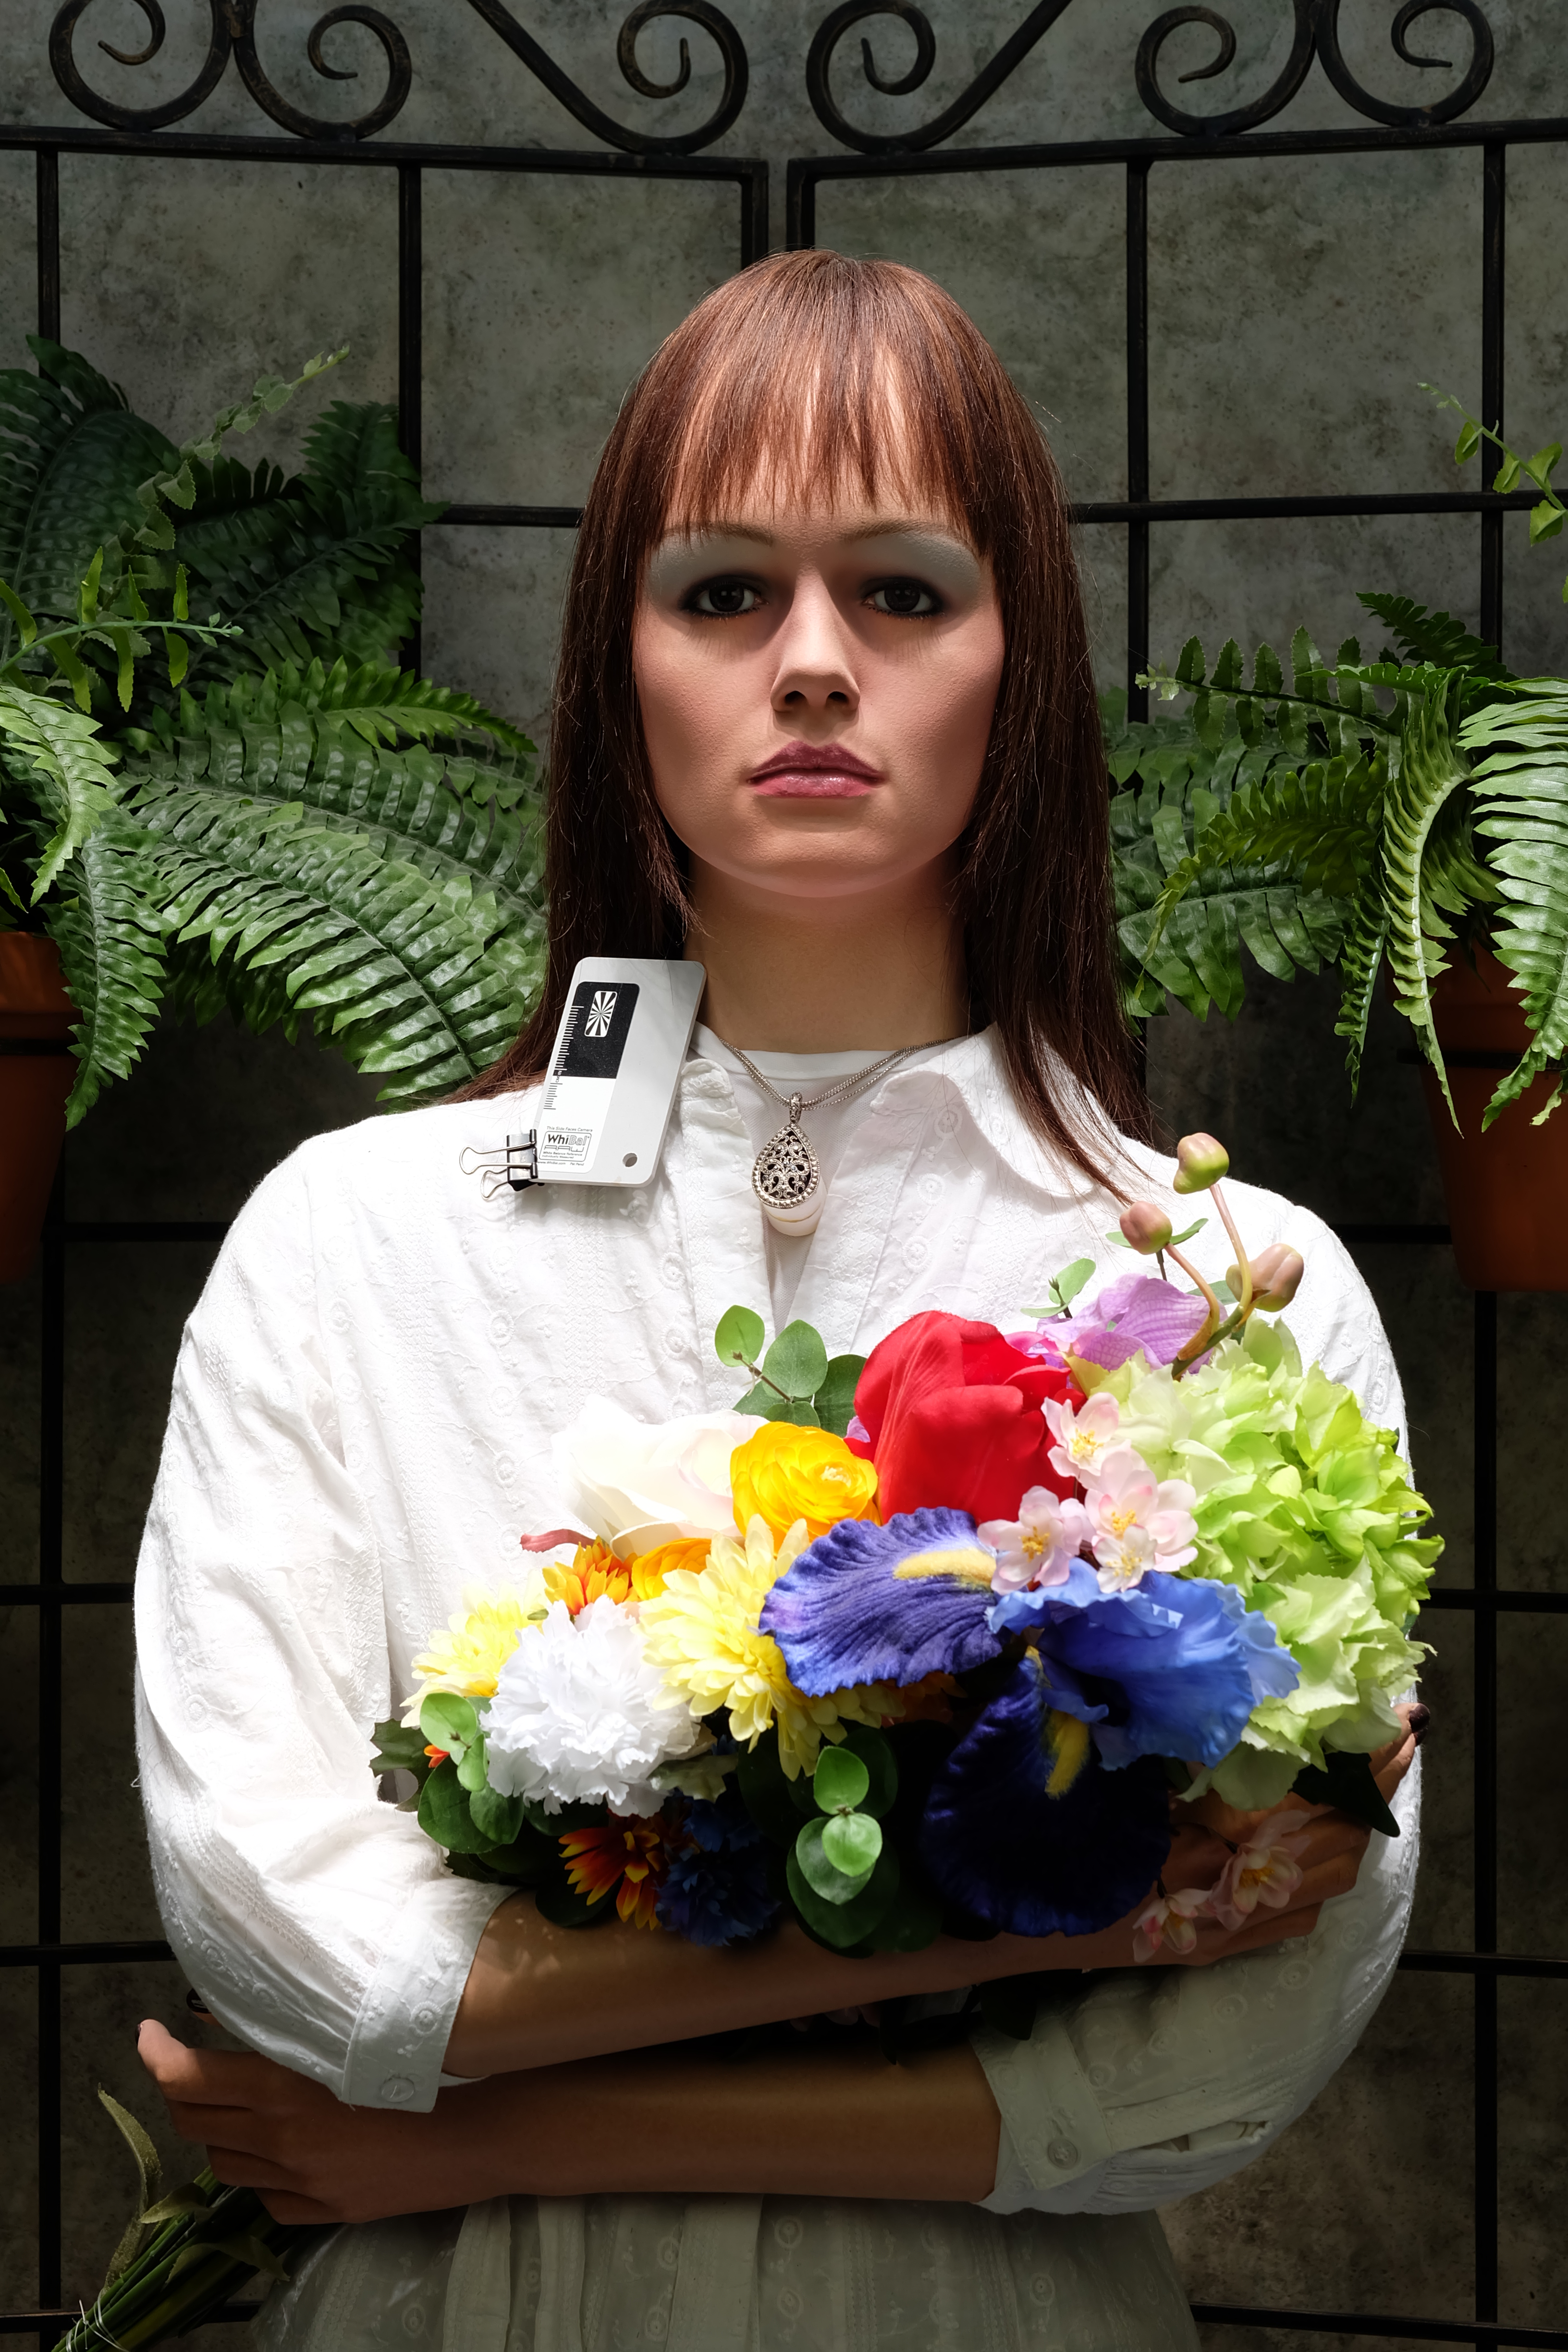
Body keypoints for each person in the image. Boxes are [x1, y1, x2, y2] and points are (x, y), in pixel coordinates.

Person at [134, 251, 1421, 2351]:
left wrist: (491, 2138)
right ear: (616, 658)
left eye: (902, 592)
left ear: (1021, 660)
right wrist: (1054, 1930)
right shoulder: (349, 1246)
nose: (813, 663)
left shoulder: (1225, 1294)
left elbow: (1225, 2071)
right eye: (725, 591)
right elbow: (291, 1940)